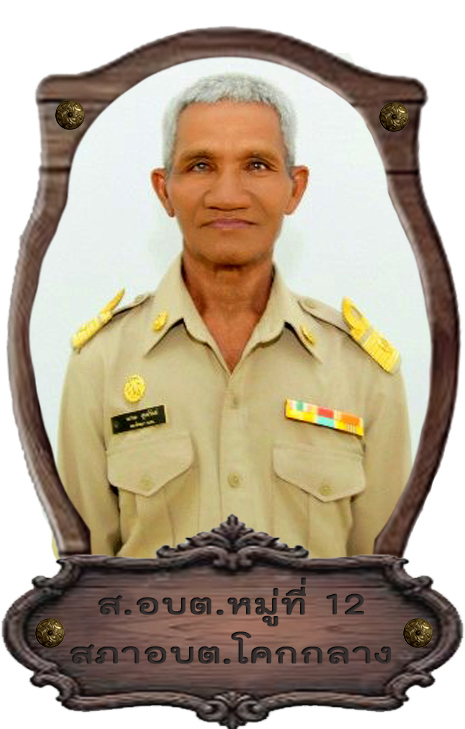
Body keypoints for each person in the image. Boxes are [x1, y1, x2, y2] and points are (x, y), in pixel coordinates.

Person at [56, 73, 411, 559]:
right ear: (164, 190)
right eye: (200, 165)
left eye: (257, 165)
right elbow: (81, 579)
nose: (227, 194)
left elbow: (383, 582)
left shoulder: (362, 371)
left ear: (295, 188)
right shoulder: (101, 364)